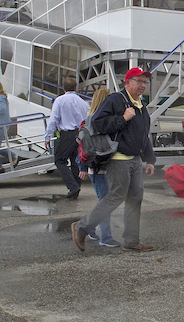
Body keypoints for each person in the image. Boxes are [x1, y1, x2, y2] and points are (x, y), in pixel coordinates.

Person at [72, 67, 157, 252]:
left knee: (136, 197)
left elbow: (143, 135)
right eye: (138, 81)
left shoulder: (140, 105)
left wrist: (149, 158)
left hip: (135, 159)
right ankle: (81, 227)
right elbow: (98, 123)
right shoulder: (116, 100)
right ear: (127, 83)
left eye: (145, 82)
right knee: (116, 196)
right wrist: (122, 118)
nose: (142, 85)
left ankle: (131, 241)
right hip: (118, 158)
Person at [77, 88, 119, 248]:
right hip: (100, 168)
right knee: (105, 202)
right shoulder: (99, 121)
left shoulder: (89, 120)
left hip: (96, 167)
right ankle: (105, 236)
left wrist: (82, 166)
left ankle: (89, 227)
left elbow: (81, 146)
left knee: (104, 201)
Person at [46, 76, 88, 198]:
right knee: (75, 161)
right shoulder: (82, 102)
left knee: (59, 160)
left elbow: (54, 119)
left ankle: (72, 186)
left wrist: (48, 136)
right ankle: (76, 187)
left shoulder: (60, 100)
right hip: (80, 133)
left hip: (67, 133)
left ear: (63, 88)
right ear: (76, 88)